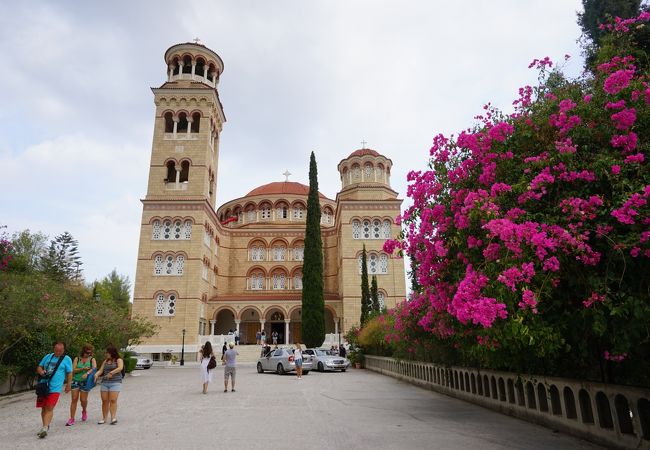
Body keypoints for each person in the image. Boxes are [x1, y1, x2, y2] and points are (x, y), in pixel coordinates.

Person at [35, 341, 73, 439]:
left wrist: (69, 384)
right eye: (57, 350)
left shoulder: (66, 359)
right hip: (43, 386)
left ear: (64, 350)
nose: (59, 352)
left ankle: (44, 428)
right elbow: (39, 367)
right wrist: (41, 371)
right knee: (43, 407)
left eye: (61, 350)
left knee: (49, 407)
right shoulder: (48, 356)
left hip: (55, 388)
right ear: (53, 349)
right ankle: (45, 426)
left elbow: (69, 373)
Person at [66, 344, 96, 426]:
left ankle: (84, 410)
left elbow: (94, 369)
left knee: (83, 400)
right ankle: (72, 418)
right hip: (75, 381)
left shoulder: (92, 359)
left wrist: (87, 373)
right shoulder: (77, 358)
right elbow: (73, 370)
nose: (88, 354)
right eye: (87, 352)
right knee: (74, 399)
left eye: (90, 353)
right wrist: (82, 369)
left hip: (85, 382)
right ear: (83, 351)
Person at [94, 345, 124, 425]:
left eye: (107, 352)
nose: (105, 354)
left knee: (113, 400)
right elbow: (101, 370)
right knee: (104, 401)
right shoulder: (105, 361)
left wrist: (111, 372)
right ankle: (104, 418)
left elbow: (120, 368)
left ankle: (113, 418)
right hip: (105, 382)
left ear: (111, 352)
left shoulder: (118, 360)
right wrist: (96, 375)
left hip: (115, 382)